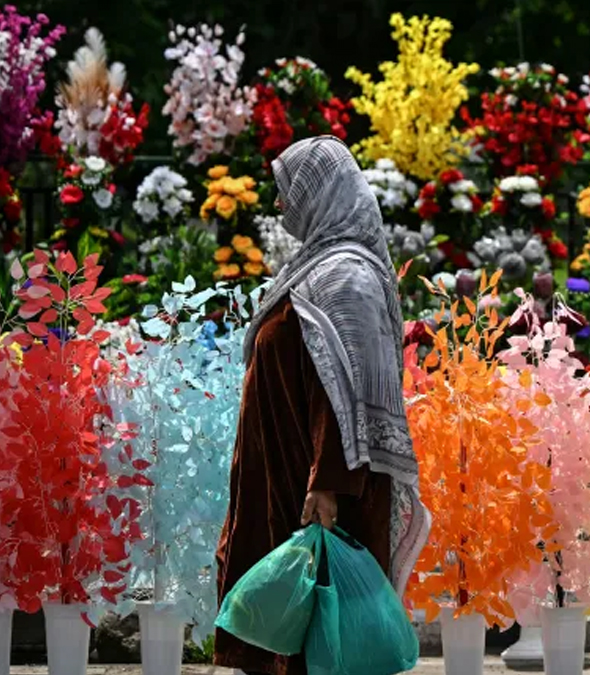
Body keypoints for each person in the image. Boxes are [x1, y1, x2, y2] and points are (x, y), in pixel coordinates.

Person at [214, 136, 429, 675]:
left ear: (321, 193)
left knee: (322, 642)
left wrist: (326, 483)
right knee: (289, 636)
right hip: (286, 476)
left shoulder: (346, 279)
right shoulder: (318, 268)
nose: (281, 205)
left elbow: (347, 397)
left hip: (322, 495)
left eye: (290, 191)